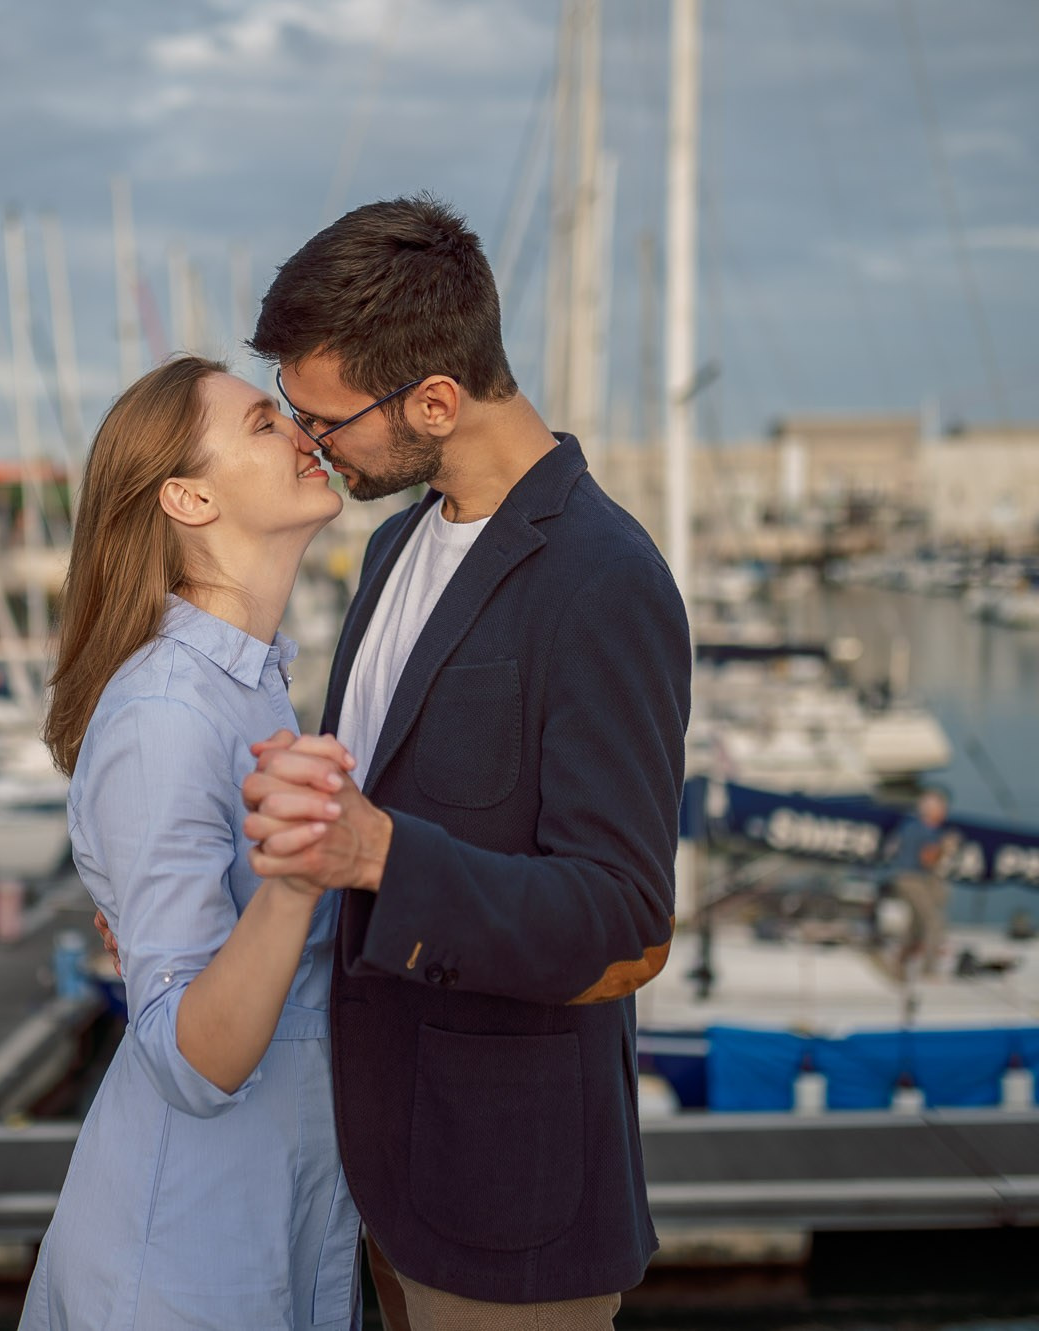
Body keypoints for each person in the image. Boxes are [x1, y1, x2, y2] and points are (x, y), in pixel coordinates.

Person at [238, 197, 692, 1328]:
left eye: (324, 418)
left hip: (510, 1206)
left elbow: (624, 921)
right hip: (376, 1171)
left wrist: (385, 853)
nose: (307, 443)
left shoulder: (605, 578)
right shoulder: (393, 543)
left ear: (435, 399)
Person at [20, 355, 363, 1331]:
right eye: (263, 421)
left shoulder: (248, 683)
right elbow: (185, 1056)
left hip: (264, 1218)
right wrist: (298, 880)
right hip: (182, 1254)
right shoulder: (166, 710)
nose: (302, 431)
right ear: (186, 495)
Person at [883, 784, 957, 980]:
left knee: (915, 926)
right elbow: (928, 860)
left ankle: (898, 966)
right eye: (941, 808)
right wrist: (945, 847)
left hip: (906, 877)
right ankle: (929, 970)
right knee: (933, 921)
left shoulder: (911, 826)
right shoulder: (925, 830)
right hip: (913, 879)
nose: (944, 812)